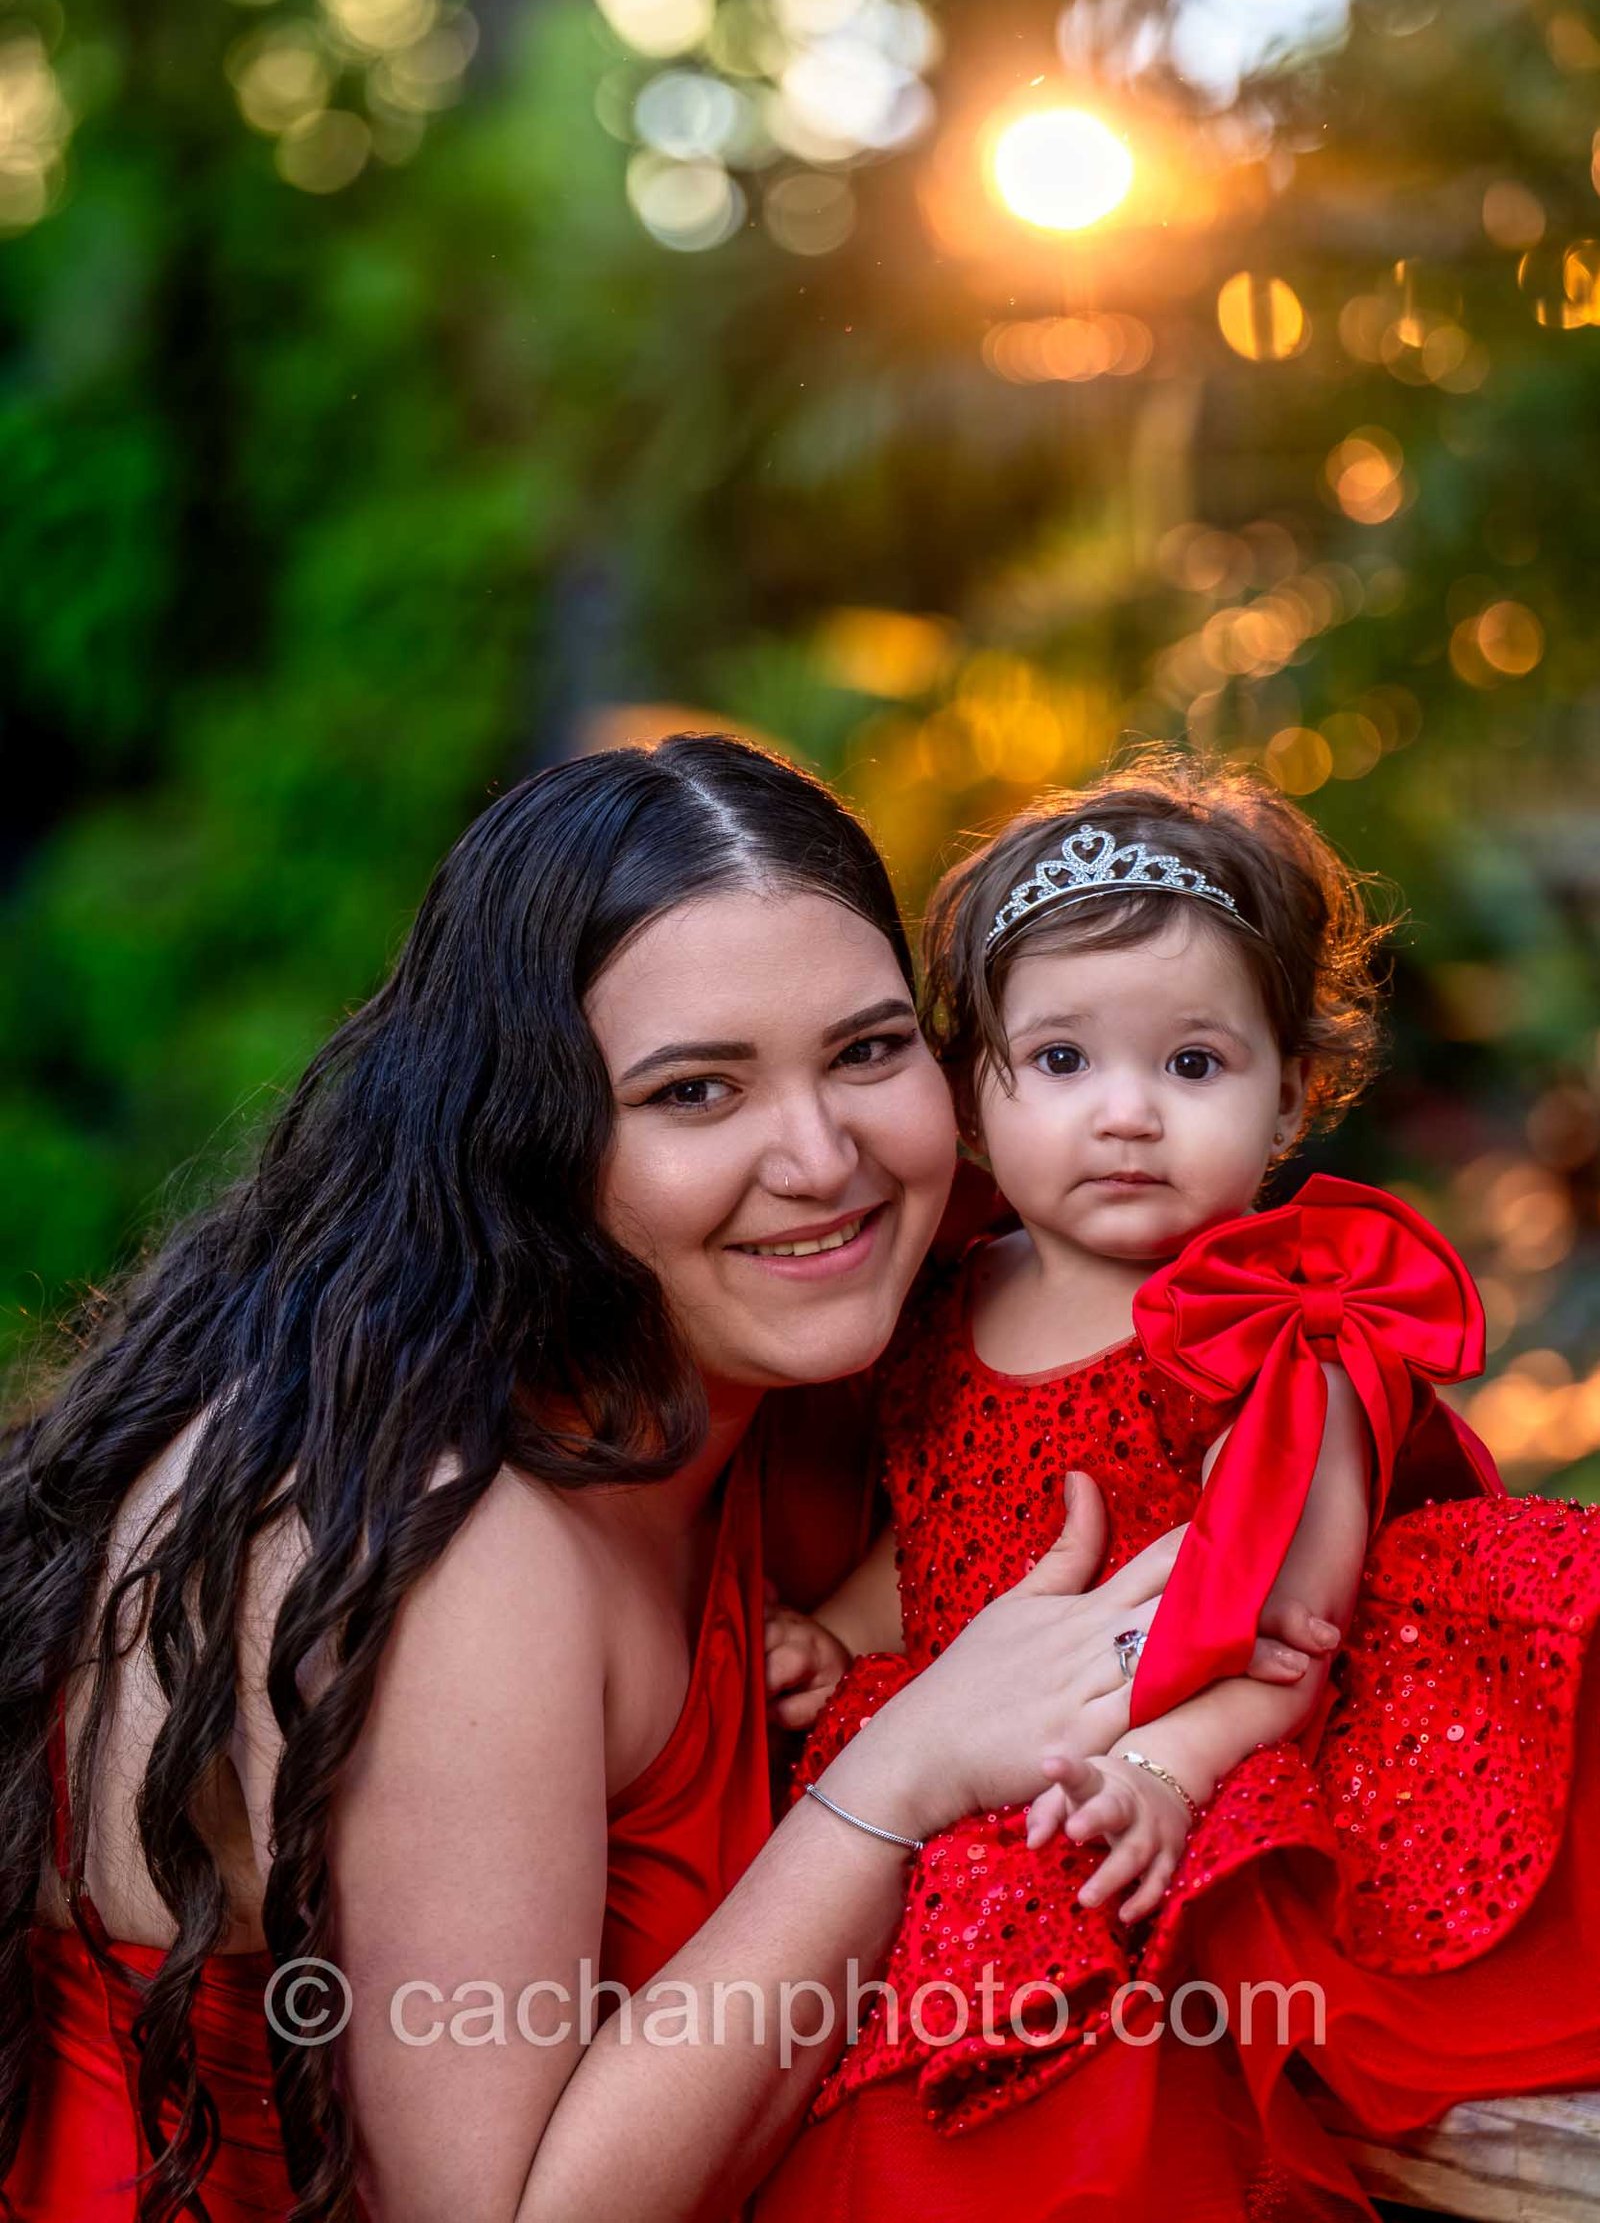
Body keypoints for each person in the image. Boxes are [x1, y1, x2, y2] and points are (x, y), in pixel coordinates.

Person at [0, 734, 1337, 2223]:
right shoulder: (453, 1532)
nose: (820, 1157)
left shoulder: (879, 1350)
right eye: (696, 1091)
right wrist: (906, 1767)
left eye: (867, 1051)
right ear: (532, 1139)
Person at [757, 749, 1600, 2223]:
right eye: (1063, 1062)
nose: (1127, 1114)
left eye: (1192, 1066)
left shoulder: (1281, 1334)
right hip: (986, 1731)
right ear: (972, 1097)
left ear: (1291, 1100)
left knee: (1089, 2031)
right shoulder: (944, 1302)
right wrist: (836, 1630)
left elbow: (1293, 1636)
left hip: (1204, 1739)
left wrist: (1164, 1771)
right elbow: (946, 1529)